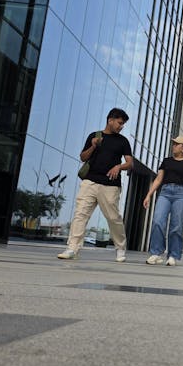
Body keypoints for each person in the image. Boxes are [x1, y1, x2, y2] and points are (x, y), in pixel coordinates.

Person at [57, 108, 133, 262]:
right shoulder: (94, 136)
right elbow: (83, 157)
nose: (121, 126)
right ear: (110, 120)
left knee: (113, 218)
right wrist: (93, 146)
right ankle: (73, 248)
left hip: (110, 185)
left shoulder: (123, 141)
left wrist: (119, 167)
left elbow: (130, 163)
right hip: (90, 181)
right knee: (80, 214)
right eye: (119, 123)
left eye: (123, 124)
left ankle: (120, 248)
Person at [143, 136, 183, 266]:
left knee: (176, 226)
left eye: (176, 144)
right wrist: (148, 195)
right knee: (157, 221)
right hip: (165, 192)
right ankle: (155, 253)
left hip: (181, 194)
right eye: (173, 144)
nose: (173, 146)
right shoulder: (166, 161)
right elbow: (158, 179)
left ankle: (173, 255)